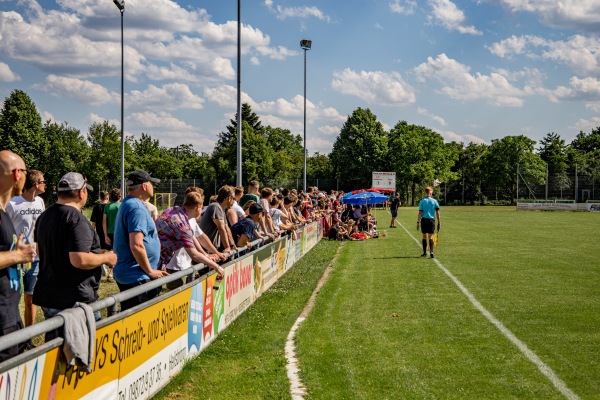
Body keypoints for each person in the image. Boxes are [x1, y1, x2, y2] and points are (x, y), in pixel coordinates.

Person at [34, 172, 117, 339]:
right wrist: (106, 258)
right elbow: (79, 259)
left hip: (50, 295)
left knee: (56, 353)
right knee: (85, 352)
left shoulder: (44, 216)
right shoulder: (75, 218)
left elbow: (39, 251)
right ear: (81, 192)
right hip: (74, 300)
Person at [112, 171, 168, 311]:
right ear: (144, 186)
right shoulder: (136, 207)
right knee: (139, 322)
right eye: (151, 183)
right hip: (137, 276)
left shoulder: (128, 203)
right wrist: (150, 271)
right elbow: (136, 244)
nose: (153, 187)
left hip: (132, 274)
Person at [0, 151, 35, 361]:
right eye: (24, 171)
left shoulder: (4, 212)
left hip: (10, 316)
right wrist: (17, 256)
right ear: (16, 174)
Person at [157, 191, 225, 290]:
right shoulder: (182, 225)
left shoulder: (172, 210)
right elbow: (194, 255)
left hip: (152, 259)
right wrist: (216, 266)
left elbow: (193, 237)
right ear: (198, 208)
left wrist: (207, 255)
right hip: (156, 262)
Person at [6, 169, 46, 334]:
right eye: (43, 181)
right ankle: (12, 337)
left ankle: (27, 338)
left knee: (31, 300)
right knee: (12, 301)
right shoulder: (13, 203)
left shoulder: (40, 203)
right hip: (16, 259)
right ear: (36, 184)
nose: (46, 184)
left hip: (35, 258)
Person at [198, 185, 236, 253]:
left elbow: (227, 229)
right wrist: (227, 247)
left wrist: (232, 245)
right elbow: (221, 228)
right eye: (233, 198)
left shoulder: (221, 209)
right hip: (204, 250)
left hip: (210, 250)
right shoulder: (216, 207)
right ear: (229, 198)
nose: (234, 201)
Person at [102, 188, 121, 282]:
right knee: (118, 253)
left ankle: (110, 271)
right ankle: (111, 273)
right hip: (119, 233)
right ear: (120, 197)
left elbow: (104, 222)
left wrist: (105, 235)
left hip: (109, 233)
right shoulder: (121, 206)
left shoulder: (107, 206)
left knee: (113, 252)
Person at [417, 186, 441, 258]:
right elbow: (438, 213)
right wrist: (439, 222)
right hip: (431, 220)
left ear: (425, 192)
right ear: (431, 192)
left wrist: (418, 222)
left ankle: (424, 253)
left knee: (424, 236)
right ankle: (431, 252)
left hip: (424, 220)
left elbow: (420, 213)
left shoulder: (422, 201)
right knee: (431, 237)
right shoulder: (435, 201)